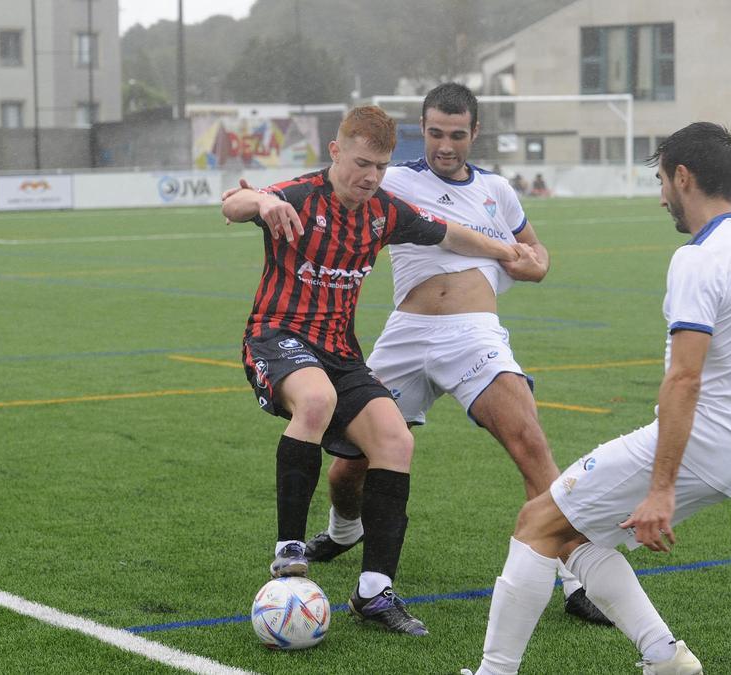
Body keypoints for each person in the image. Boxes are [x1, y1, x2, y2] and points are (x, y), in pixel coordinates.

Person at [463, 122, 731, 675]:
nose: (660, 197)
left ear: (683, 177)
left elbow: (684, 379)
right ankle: (663, 656)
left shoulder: (699, 258)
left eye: (661, 181)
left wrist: (660, 489)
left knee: (536, 522)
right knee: (574, 538)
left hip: (694, 446)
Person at [299, 83, 611, 626]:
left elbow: (536, 251)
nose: (446, 145)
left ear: (475, 133)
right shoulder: (394, 179)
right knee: (347, 470)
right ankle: (344, 531)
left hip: (474, 334)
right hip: (405, 332)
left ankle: (577, 581)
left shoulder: (497, 189)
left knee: (529, 442)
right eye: (436, 133)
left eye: (457, 134)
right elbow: (335, 184)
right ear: (422, 129)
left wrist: (535, 264)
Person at [222, 105, 533, 637]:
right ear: (336, 151)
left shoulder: (383, 212)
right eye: (361, 162)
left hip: (340, 351)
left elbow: (450, 234)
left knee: (395, 441)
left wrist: (509, 250)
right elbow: (233, 203)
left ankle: (373, 592)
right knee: (315, 401)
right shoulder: (298, 196)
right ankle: (289, 551)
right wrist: (264, 199)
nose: (370, 176)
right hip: (278, 338)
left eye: (381, 166)